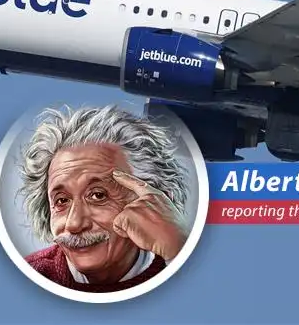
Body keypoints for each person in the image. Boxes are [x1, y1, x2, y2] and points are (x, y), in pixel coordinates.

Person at [17, 104, 191, 293]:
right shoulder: (29, 277)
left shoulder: (181, 260)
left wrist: (178, 251)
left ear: (155, 201)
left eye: (98, 195)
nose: (74, 224)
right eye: (62, 201)